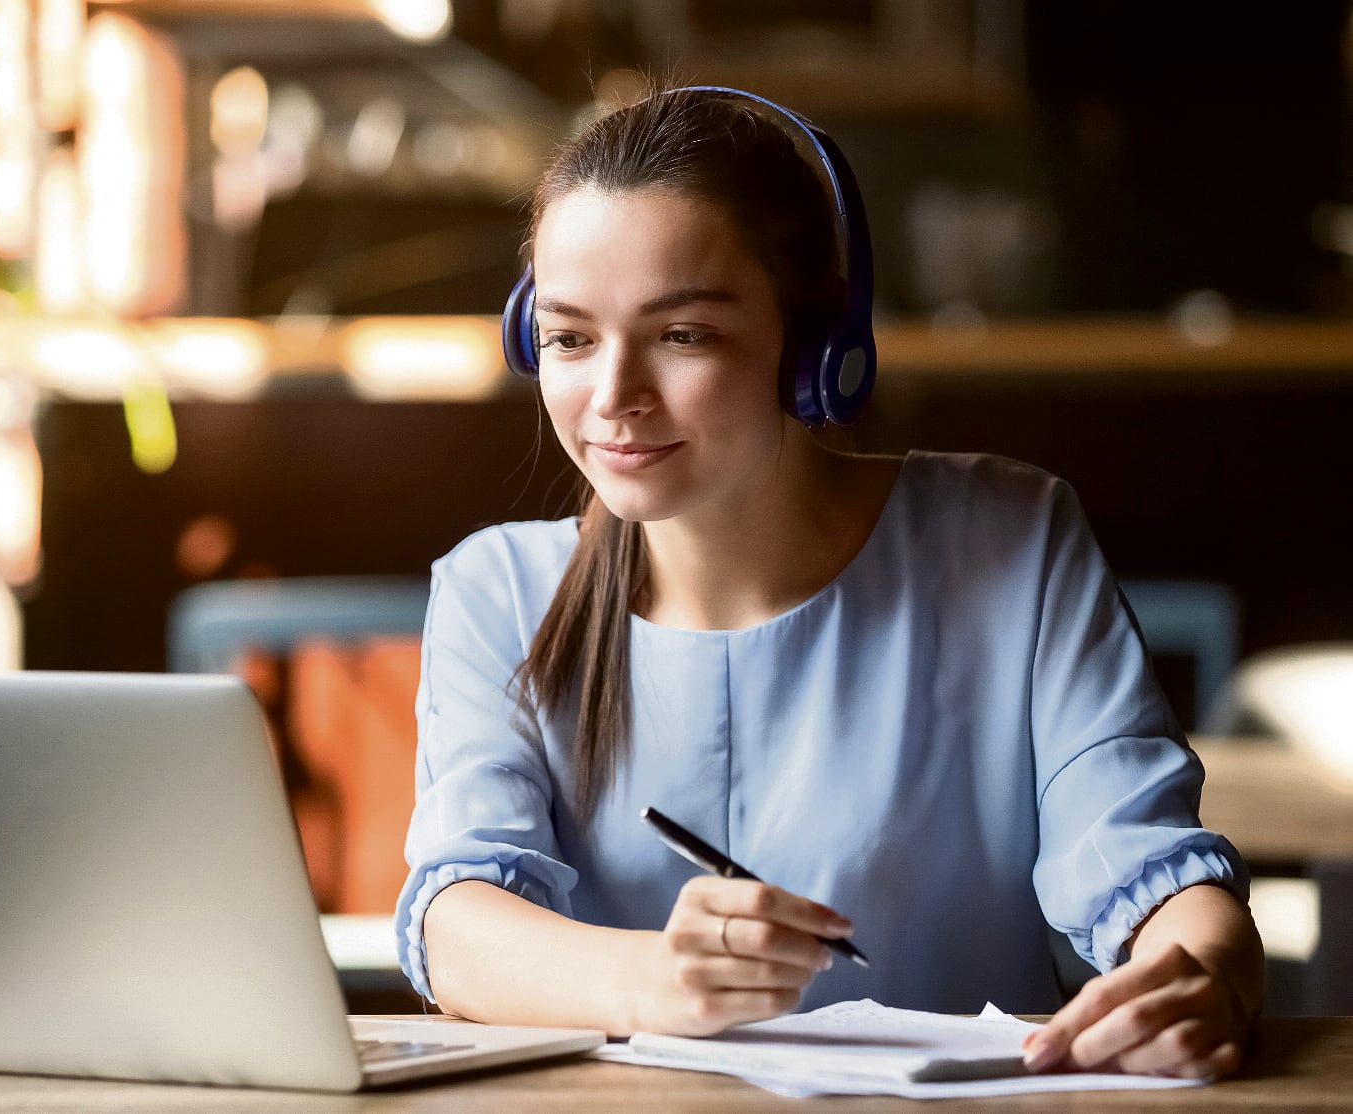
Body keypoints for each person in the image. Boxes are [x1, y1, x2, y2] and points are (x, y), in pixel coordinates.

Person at [394, 84, 1264, 1080]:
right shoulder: (495, 588)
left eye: (684, 335)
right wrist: (661, 982)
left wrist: (1205, 971)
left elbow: (1147, 868)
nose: (614, 397)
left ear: (814, 349)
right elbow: (456, 921)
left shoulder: (1009, 542)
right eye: (571, 337)